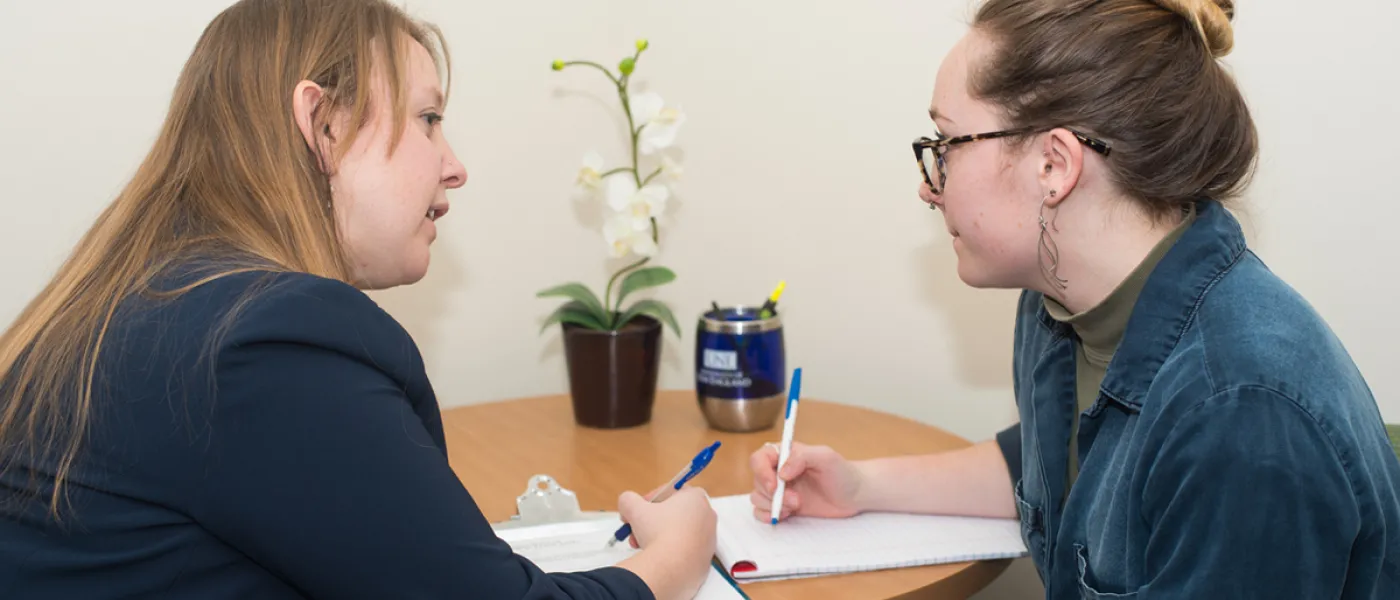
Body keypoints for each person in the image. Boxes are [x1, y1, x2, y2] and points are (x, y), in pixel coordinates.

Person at [0, 0, 716, 598]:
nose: (455, 166)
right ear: (324, 125)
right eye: (429, 119)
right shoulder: (262, 343)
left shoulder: (151, 298)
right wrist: (675, 560)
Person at [749, 0, 1400, 597]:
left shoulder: (1240, 417)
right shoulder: (1060, 303)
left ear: (1054, 165)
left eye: (947, 144)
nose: (930, 186)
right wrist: (861, 486)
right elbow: (1047, 463)